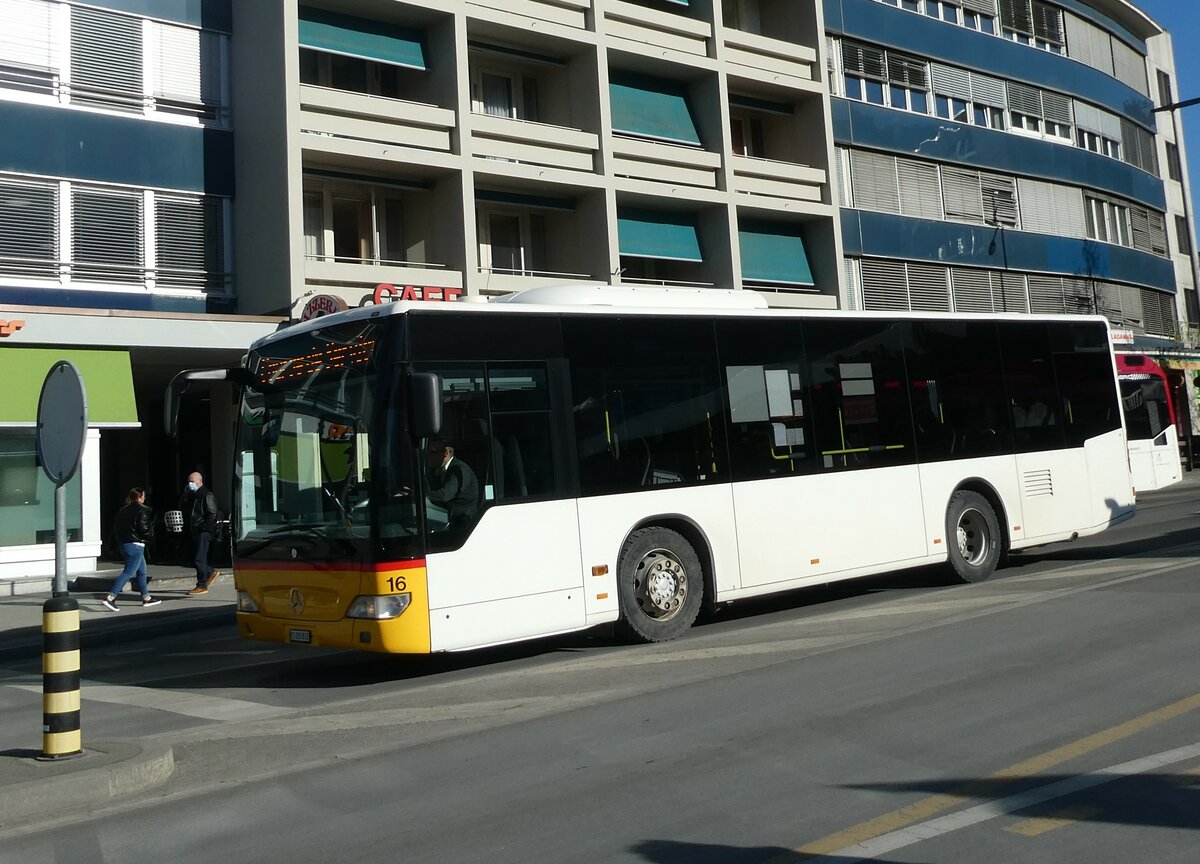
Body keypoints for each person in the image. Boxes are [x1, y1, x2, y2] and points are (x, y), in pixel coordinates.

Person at [102, 488, 161, 611]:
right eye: (143, 496)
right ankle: (111, 597)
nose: (144, 498)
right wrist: (151, 536)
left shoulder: (122, 511)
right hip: (136, 545)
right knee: (128, 572)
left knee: (142, 571)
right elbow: (143, 529)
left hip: (125, 544)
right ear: (140, 497)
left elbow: (116, 529)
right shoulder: (141, 510)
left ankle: (146, 598)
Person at [181, 471, 222, 595]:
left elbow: (212, 513)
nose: (190, 484)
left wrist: (204, 528)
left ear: (200, 481)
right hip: (194, 530)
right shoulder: (192, 496)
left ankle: (202, 584)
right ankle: (210, 572)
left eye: (192, 481)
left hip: (203, 531)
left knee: (199, 558)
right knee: (193, 557)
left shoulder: (206, 495)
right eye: (188, 481)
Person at [426, 438, 479, 530]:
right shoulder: (439, 470)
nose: (428, 456)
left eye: (432, 452)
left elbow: (444, 495)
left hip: (463, 521)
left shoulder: (458, 470)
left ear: (446, 453)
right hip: (447, 515)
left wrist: (418, 495)